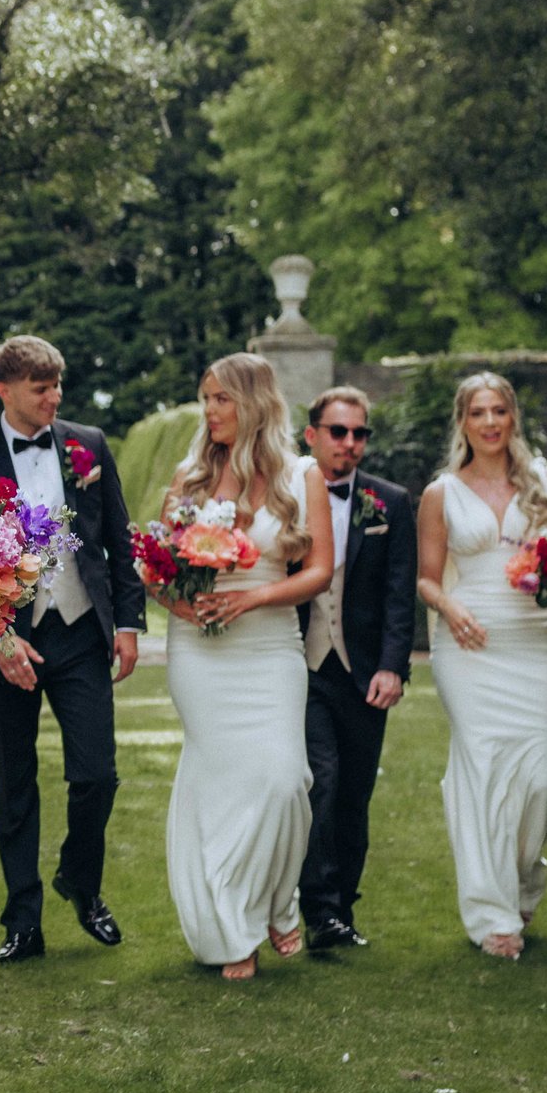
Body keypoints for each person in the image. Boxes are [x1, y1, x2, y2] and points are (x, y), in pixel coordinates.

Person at [0, 335, 145, 964]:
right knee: (13, 785)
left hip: (80, 631)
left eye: (58, 385)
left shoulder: (88, 445)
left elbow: (116, 532)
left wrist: (128, 623)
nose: (54, 397)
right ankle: (23, 922)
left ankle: (81, 885)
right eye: (42, 387)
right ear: (4, 391)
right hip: (5, 640)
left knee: (97, 774)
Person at [146, 354, 334, 980]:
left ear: (254, 402)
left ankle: (281, 899)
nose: (211, 411)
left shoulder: (301, 475)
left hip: (269, 647)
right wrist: (184, 604)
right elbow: (155, 570)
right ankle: (235, 929)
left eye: (222, 398)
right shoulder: (191, 477)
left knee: (285, 780)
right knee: (222, 788)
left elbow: (318, 571)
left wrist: (251, 595)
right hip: (201, 652)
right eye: (206, 399)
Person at [415, 372, 547, 960]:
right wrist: (450, 607)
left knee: (540, 779)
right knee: (483, 770)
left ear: (513, 417)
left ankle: (524, 881)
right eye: (477, 412)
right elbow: (427, 579)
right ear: (463, 422)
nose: (489, 423)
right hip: (470, 644)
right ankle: (493, 915)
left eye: (499, 411)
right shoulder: (442, 493)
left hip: (535, 643)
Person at [296, 386, 418, 950]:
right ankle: (318, 909)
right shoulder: (287, 495)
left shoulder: (390, 501)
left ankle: (342, 905)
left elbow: (400, 596)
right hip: (301, 665)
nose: (350, 443)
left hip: (365, 670)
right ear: (311, 435)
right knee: (321, 781)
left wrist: (393, 667)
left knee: (355, 793)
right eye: (339, 431)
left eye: (359, 433)